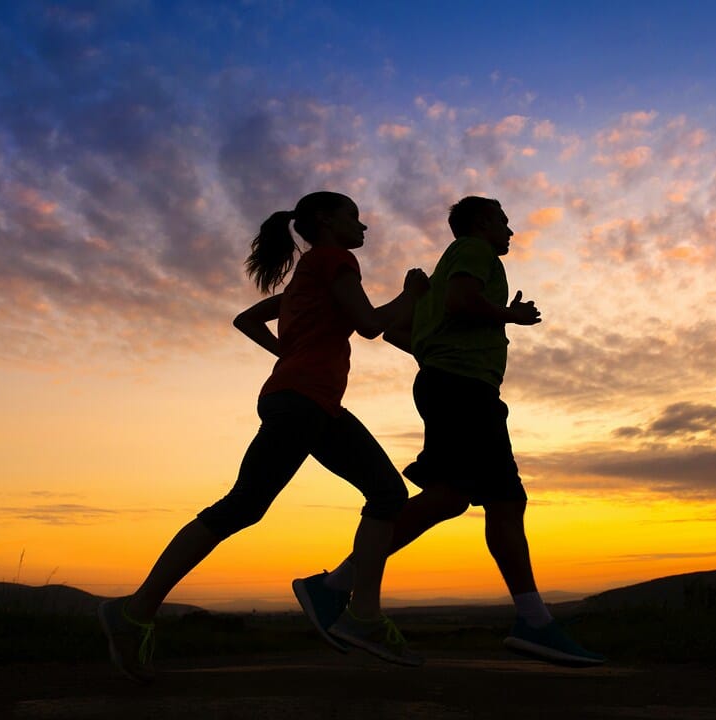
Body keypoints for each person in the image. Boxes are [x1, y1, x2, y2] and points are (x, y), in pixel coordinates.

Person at [99, 191, 427, 682]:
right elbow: (371, 325)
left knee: (384, 493)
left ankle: (364, 617)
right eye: (353, 217)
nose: (364, 227)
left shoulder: (304, 279)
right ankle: (134, 611)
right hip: (303, 401)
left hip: (307, 401)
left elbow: (246, 319)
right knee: (244, 505)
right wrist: (413, 294)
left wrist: (287, 355)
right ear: (325, 221)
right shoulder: (336, 260)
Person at [293, 196, 604, 666]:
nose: (511, 230)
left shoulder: (442, 276)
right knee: (487, 499)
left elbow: (409, 334)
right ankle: (533, 623)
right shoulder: (472, 251)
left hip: (452, 387)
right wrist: (508, 316)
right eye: (504, 220)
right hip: (463, 391)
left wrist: (435, 355)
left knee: (465, 498)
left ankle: (338, 585)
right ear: (481, 223)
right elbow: (461, 303)